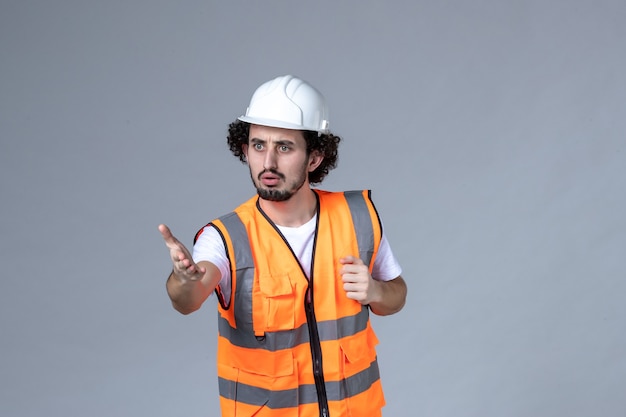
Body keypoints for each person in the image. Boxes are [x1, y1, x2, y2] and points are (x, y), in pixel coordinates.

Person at [159, 74, 407, 417]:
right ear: (244, 149)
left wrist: (376, 291)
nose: (268, 163)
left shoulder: (356, 219)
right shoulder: (226, 238)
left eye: (284, 147)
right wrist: (183, 281)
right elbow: (189, 299)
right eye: (258, 145)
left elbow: (397, 294)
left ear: (314, 158)